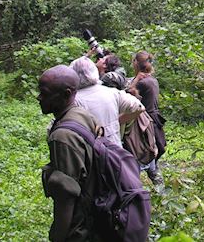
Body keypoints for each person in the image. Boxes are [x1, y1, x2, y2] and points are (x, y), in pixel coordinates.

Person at [38, 65, 100, 242]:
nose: (39, 97)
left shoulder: (62, 137)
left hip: (80, 229)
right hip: (97, 214)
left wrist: (57, 237)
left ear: (66, 94)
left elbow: (66, 197)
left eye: (45, 93)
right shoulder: (82, 114)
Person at [69, 56, 144, 147]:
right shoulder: (112, 92)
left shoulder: (73, 100)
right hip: (115, 152)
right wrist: (117, 121)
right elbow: (139, 107)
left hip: (90, 151)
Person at [128, 50, 167, 185]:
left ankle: (134, 188)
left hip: (144, 121)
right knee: (152, 158)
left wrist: (136, 80)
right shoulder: (152, 79)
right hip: (154, 119)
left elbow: (127, 97)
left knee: (139, 154)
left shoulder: (141, 82)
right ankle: (161, 191)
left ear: (136, 63)